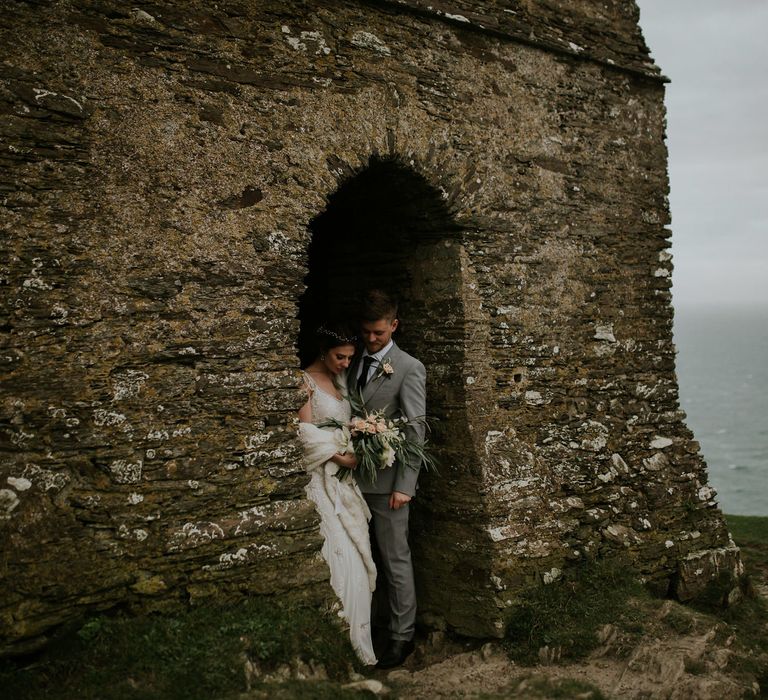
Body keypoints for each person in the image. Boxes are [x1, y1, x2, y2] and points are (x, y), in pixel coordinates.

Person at [349, 290, 427, 669]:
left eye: (378, 333)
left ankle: (401, 636)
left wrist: (405, 485)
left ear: (394, 325)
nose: (371, 339)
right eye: (366, 332)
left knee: (395, 559)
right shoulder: (349, 360)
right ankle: (367, 627)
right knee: (356, 558)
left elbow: (415, 432)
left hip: (388, 484)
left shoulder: (409, 368)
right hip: (348, 481)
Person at [297, 322, 377, 666]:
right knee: (339, 553)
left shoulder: (343, 382)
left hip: (345, 480)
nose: (346, 363)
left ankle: (360, 642)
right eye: (340, 357)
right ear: (323, 352)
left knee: (359, 557)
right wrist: (338, 452)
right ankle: (337, 641)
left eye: (350, 357)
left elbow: (346, 423)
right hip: (322, 478)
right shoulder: (304, 382)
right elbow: (303, 432)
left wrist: (365, 434)